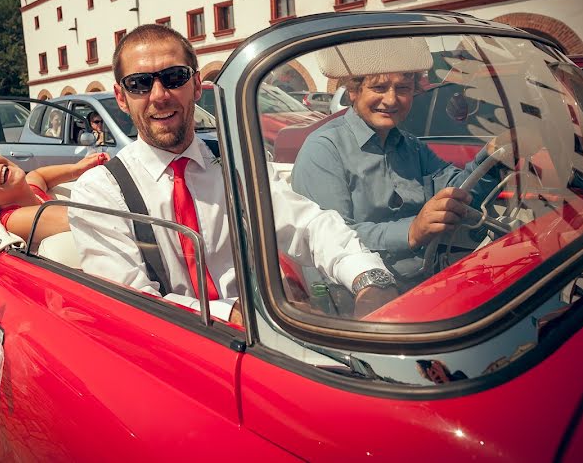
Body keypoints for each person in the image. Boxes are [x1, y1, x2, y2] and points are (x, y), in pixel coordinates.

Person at [68, 24, 397, 324]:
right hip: (172, 356)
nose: (159, 95)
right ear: (121, 98)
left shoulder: (236, 164)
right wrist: (231, 314)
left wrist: (368, 278)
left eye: (174, 77)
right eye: (139, 83)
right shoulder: (99, 192)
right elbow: (131, 304)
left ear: (197, 85)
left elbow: (308, 226)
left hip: (263, 339)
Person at [291, 72, 505, 282]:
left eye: (403, 88)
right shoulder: (324, 149)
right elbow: (330, 239)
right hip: (361, 293)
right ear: (354, 91)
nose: (391, 100)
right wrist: (412, 231)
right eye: (379, 88)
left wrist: (494, 156)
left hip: (426, 277)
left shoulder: (411, 146)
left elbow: (458, 192)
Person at [0, 142, 108, 249]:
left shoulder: (29, 191)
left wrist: (76, 169)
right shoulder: (15, 219)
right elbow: (84, 217)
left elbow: (39, 176)